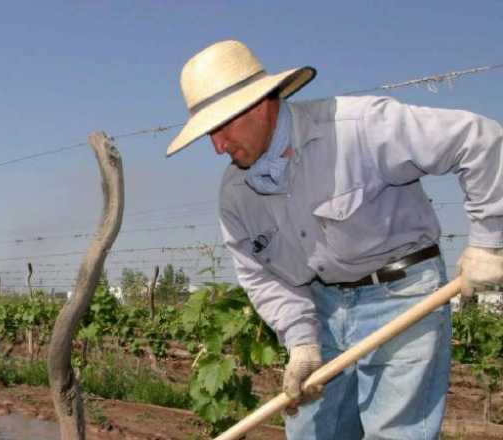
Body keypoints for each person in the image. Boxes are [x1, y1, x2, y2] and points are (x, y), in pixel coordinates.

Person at [166, 40, 503, 439]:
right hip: (322, 307)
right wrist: (302, 340)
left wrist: (488, 241)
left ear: (258, 104)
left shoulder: (357, 127)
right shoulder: (236, 193)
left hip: (404, 297)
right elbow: (261, 276)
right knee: (311, 431)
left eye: (222, 127)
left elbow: (479, 139)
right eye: (209, 133)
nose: (217, 145)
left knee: (395, 433)